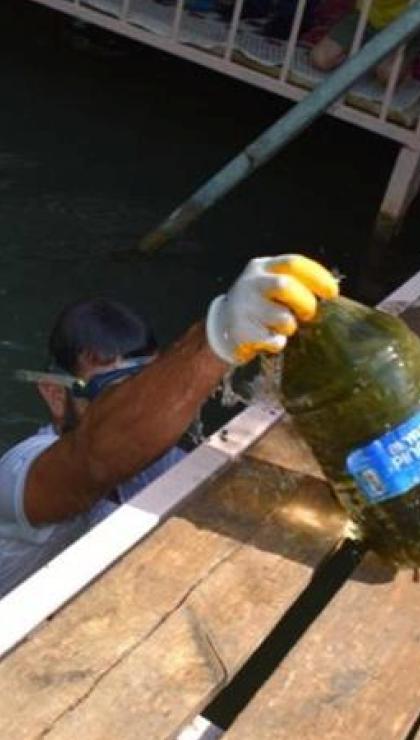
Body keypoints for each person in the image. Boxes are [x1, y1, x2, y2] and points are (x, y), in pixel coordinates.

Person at [0, 254, 338, 598]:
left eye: (146, 385)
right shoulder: (16, 474)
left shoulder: (162, 460)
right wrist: (218, 336)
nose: (139, 408)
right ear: (56, 395)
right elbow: (93, 460)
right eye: (114, 394)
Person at [310, 0, 418, 86]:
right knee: (321, 58)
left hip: (406, 24)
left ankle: (407, 58)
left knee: (388, 75)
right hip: (367, 15)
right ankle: (366, 53)